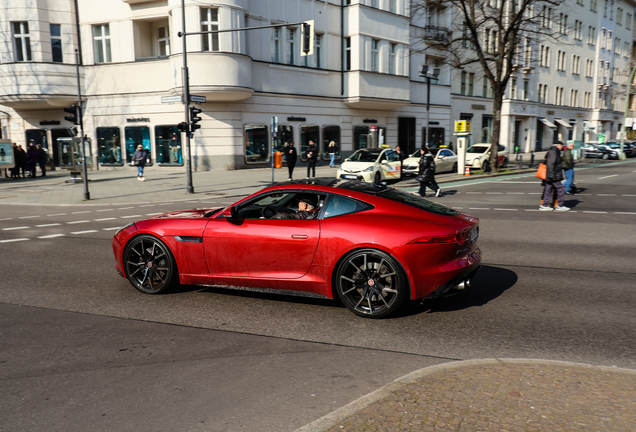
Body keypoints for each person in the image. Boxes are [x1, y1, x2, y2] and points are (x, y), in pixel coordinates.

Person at [540, 141, 569, 211]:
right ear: (558, 145)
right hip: (554, 175)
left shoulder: (553, 151)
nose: (562, 147)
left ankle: (544, 205)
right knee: (561, 190)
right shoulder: (554, 152)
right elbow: (550, 164)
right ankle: (560, 205)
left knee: (548, 190)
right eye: (562, 145)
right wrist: (552, 176)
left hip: (551, 175)